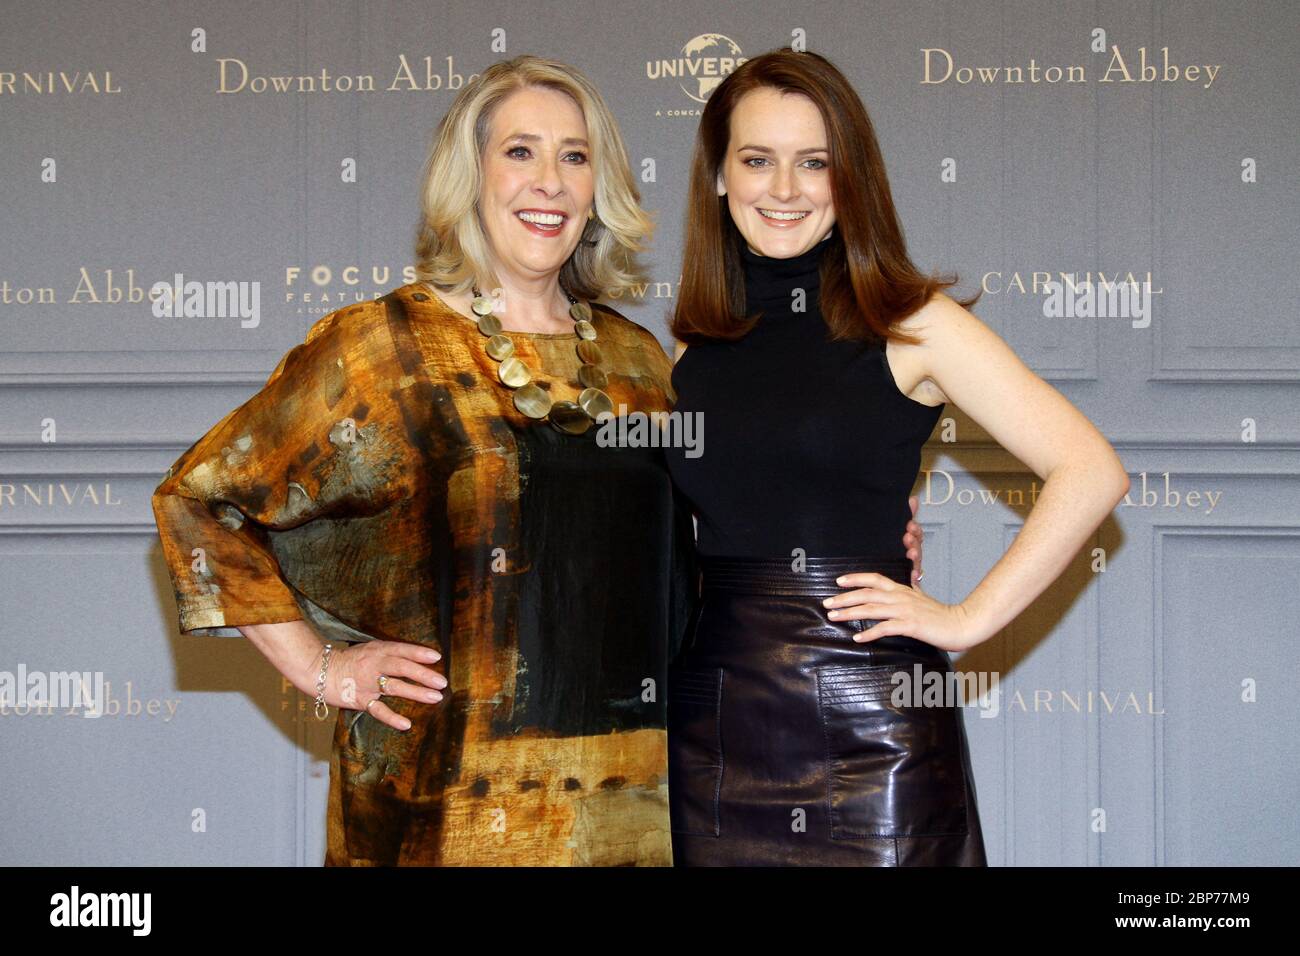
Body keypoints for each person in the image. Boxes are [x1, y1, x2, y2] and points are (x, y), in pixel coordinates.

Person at [151, 55, 700, 866]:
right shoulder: (382, 348)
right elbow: (198, 501)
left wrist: (857, 529)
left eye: (574, 156)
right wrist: (324, 667)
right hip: (439, 814)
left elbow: (694, 553)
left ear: (599, 187)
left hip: (631, 809)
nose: (549, 180)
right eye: (520, 151)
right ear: (470, 175)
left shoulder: (638, 361)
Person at [663, 49, 1130, 866]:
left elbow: (1090, 469)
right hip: (717, 718)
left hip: (871, 716)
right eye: (757, 160)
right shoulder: (689, 346)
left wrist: (964, 619)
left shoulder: (913, 323)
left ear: (853, 181)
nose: (784, 189)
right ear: (717, 177)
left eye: (815, 163)